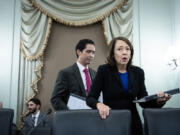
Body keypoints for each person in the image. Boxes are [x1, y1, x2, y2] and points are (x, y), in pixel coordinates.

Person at [86, 37, 171, 135]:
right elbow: (90, 98)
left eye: (127, 49)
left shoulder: (138, 72)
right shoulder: (104, 70)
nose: (124, 52)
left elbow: (143, 101)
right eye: (120, 49)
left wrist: (158, 101)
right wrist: (99, 105)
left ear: (131, 53)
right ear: (113, 54)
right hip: (111, 120)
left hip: (133, 123)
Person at [51, 39, 96, 111]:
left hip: (93, 117)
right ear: (79, 52)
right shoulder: (65, 73)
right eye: (88, 52)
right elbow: (55, 99)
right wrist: (69, 114)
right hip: (73, 118)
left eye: (93, 53)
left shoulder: (95, 74)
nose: (91, 55)